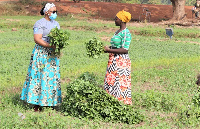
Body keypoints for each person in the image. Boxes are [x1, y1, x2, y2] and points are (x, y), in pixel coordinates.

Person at [20, 3, 62, 112]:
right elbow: (37, 39)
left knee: (51, 76)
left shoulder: (56, 24)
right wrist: (49, 46)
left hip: (52, 54)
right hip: (41, 53)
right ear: (47, 12)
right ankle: (37, 104)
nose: (55, 13)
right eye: (53, 12)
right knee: (40, 76)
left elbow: (58, 38)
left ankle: (50, 102)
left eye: (56, 11)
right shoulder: (39, 23)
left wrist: (57, 48)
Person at [104, 10, 132, 105]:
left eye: (116, 18)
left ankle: (121, 103)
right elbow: (115, 45)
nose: (114, 20)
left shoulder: (126, 33)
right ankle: (111, 101)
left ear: (122, 20)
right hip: (113, 59)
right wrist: (108, 48)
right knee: (111, 80)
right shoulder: (117, 31)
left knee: (120, 82)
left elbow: (125, 49)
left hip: (121, 61)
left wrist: (109, 50)